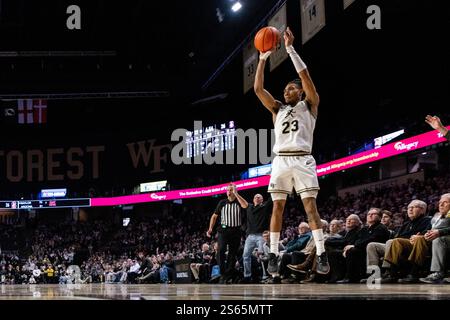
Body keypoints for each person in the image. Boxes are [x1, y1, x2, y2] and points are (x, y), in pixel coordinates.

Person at [253, 26, 329, 275]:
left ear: (300, 91)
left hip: (303, 159)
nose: (286, 91)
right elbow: (258, 90)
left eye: (291, 88)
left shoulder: (310, 105)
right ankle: (274, 254)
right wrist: (263, 59)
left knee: (310, 207)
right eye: (285, 89)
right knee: (277, 207)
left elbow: (305, 76)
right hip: (281, 162)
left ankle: (321, 252)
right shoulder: (277, 109)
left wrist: (290, 49)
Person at [207, 183, 248, 283]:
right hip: (223, 231)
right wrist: (210, 228)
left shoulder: (238, 201)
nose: (228, 192)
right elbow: (214, 216)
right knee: (220, 250)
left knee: (232, 253)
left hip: (236, 231)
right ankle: (223, 273)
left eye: (231, 190)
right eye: (227, 190)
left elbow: (245, 205)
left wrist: (236, 194)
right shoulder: (222, 202)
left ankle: (228, 274)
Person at [241, 194, 272, 283]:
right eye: (255, 197)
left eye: (259, 197)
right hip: (250, 236)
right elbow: (243, 202)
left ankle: (265, 276)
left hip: (261, 235)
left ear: (262, 199)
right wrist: (236, 193)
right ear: (253, 199)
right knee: (245, 256)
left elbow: (271, 197)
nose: (257, 198)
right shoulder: (249, 207)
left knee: (262, 255)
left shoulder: (265, 206)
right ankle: (247, 276)